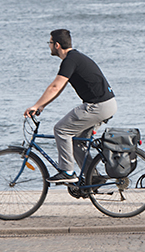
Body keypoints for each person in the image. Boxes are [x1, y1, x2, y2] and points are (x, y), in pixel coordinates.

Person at [24, 29, 117, 184]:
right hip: (107, 104)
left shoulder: (70, 60)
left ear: (57, 45)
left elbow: (55, 86)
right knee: (77, 140)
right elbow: (59, 88)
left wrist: (35, 105)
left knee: (61, 129)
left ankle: (67, 171)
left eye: (50, 43)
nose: (49, 46)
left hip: (98, 106)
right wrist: (42, 106)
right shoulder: (74, 58)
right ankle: (92, 177)